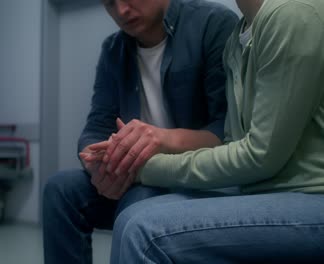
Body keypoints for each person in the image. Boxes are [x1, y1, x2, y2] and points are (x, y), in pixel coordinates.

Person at [89, 0, 324, 263]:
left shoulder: (292, 14)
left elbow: (259, 156)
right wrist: (107, 162)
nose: (121, 10)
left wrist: (143, 169)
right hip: (264, 186)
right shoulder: (239, 37)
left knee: (142, 230)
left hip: (311, 194)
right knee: (129, 218)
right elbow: (235, 142)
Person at [42, 0, 238, 263]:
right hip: (134, 176)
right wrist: (98, 167)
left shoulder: (212, 24)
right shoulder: (113, 50)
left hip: (192, 178)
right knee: (60, 190)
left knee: (140, 196)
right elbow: (95, 129)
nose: (121, 10)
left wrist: (161, 139)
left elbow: (227, 130)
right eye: (110, 3)